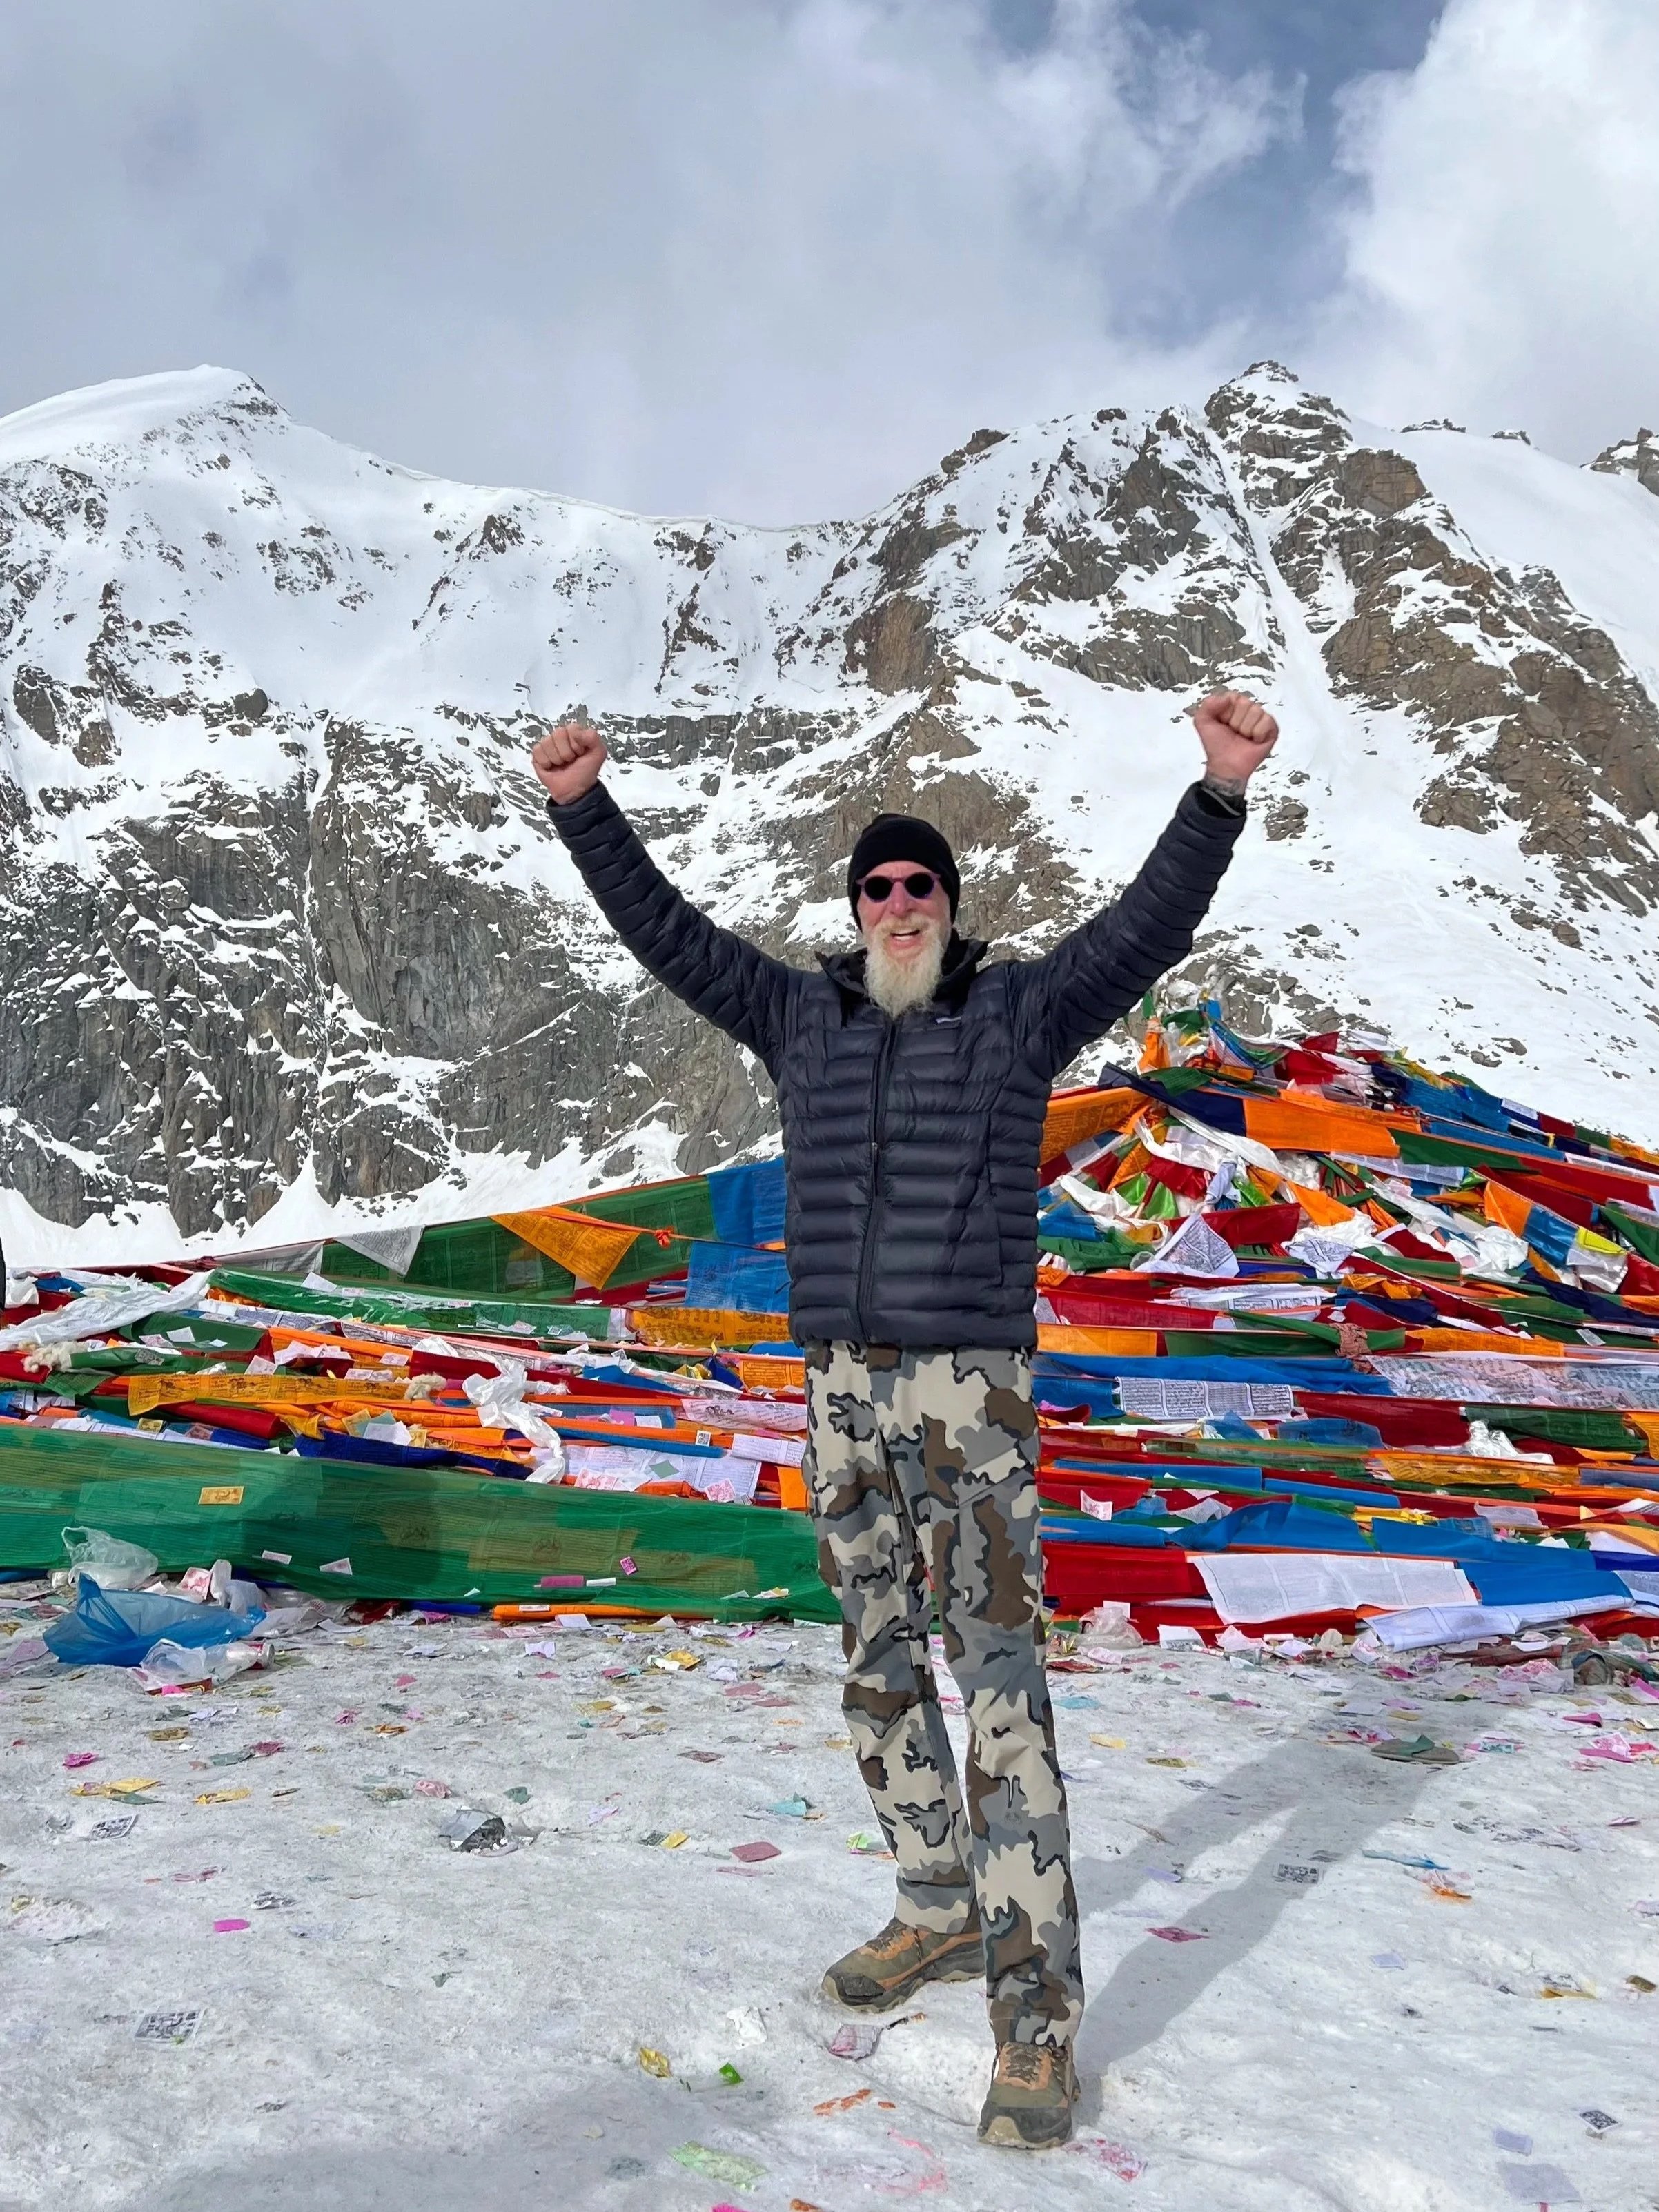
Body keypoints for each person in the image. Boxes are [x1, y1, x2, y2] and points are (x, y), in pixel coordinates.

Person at [532, 692, 1279, 2149]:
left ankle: (1036, 2025)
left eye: (917, 885)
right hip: (840, 1390)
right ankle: (935, 1906)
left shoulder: (1018, 1013)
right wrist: (581, 810)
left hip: (969, 1393)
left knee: (998, 1694)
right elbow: (665, 931)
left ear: (948, 906)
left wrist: (1216, 792)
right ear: (851, 906)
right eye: (874, 886)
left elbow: (1141, 928)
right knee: (875, 1669)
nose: (894, 904)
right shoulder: (794, 1016)